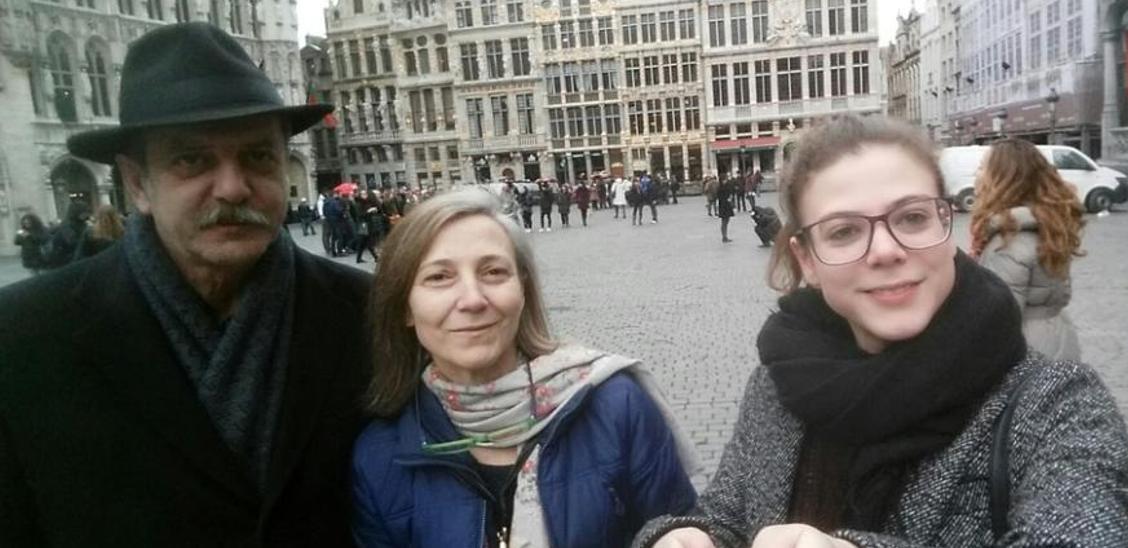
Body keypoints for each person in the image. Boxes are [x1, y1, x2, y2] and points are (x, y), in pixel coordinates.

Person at [637, 115, 1128, 547]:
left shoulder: (1057, 404)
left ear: (948, 225)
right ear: (806, 261)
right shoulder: (776, 384)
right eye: (844, 231)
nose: (884, 250)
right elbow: (726, 515)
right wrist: (682, 534)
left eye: (912, 217)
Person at [0, 23, 372, 547]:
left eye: (257, 156)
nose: (232, 185)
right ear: (137, 184)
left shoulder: (366, 313)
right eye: (191, 159)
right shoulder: (22, 338)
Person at [351, 188, 698, 547]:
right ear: (406, 306)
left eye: (493, 272)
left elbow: (678, 525)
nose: (472, 299)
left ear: (523, 290)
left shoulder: (617, 406)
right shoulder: (380, 456)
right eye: (439, 277)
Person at [971, 138, 1085, 362]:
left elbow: (999, 324)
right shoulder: (1047, 227)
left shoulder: (1008, 244)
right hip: (1056, 338)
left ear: (1003, 178)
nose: (976, 174)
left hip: (1025, 353)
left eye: (982, 167)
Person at [40, 200, 91, 270]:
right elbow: (72, 242)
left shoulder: (82, 223)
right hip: (64, 260)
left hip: (74, 258)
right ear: (76, 212)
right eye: (84, 212)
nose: (86, 214)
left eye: (87, 211)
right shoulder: (67, 225)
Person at [715, 175, 736, 243]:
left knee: (726, 221)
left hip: (725, 206)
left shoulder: (725, 186)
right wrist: (728, 199)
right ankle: (724, 237)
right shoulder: (721, 188)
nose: (725, 181)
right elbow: (720, 197)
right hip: (724, 206)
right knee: (724, 222)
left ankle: (725, 236)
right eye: (724, 179)